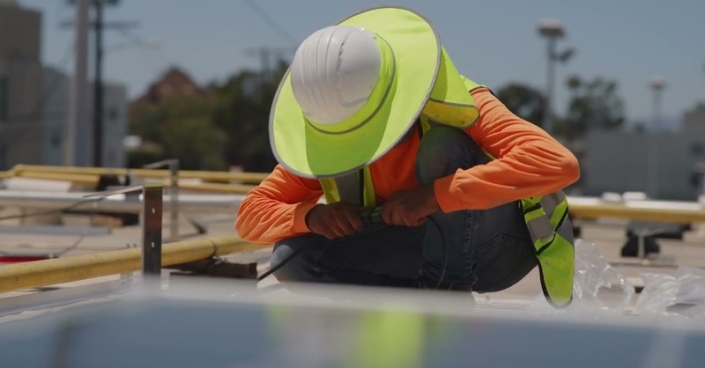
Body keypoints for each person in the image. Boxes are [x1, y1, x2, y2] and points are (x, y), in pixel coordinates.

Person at [235, 6, 580, 307]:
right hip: (417, 253)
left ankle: (448, 297)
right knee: (292, 258)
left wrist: (434, 197)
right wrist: (313, 217)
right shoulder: (327, 128)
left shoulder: (458, 100)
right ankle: (409, 308)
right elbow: (250, 216)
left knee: (441, 147)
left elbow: (557, 163)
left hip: (496, 251)